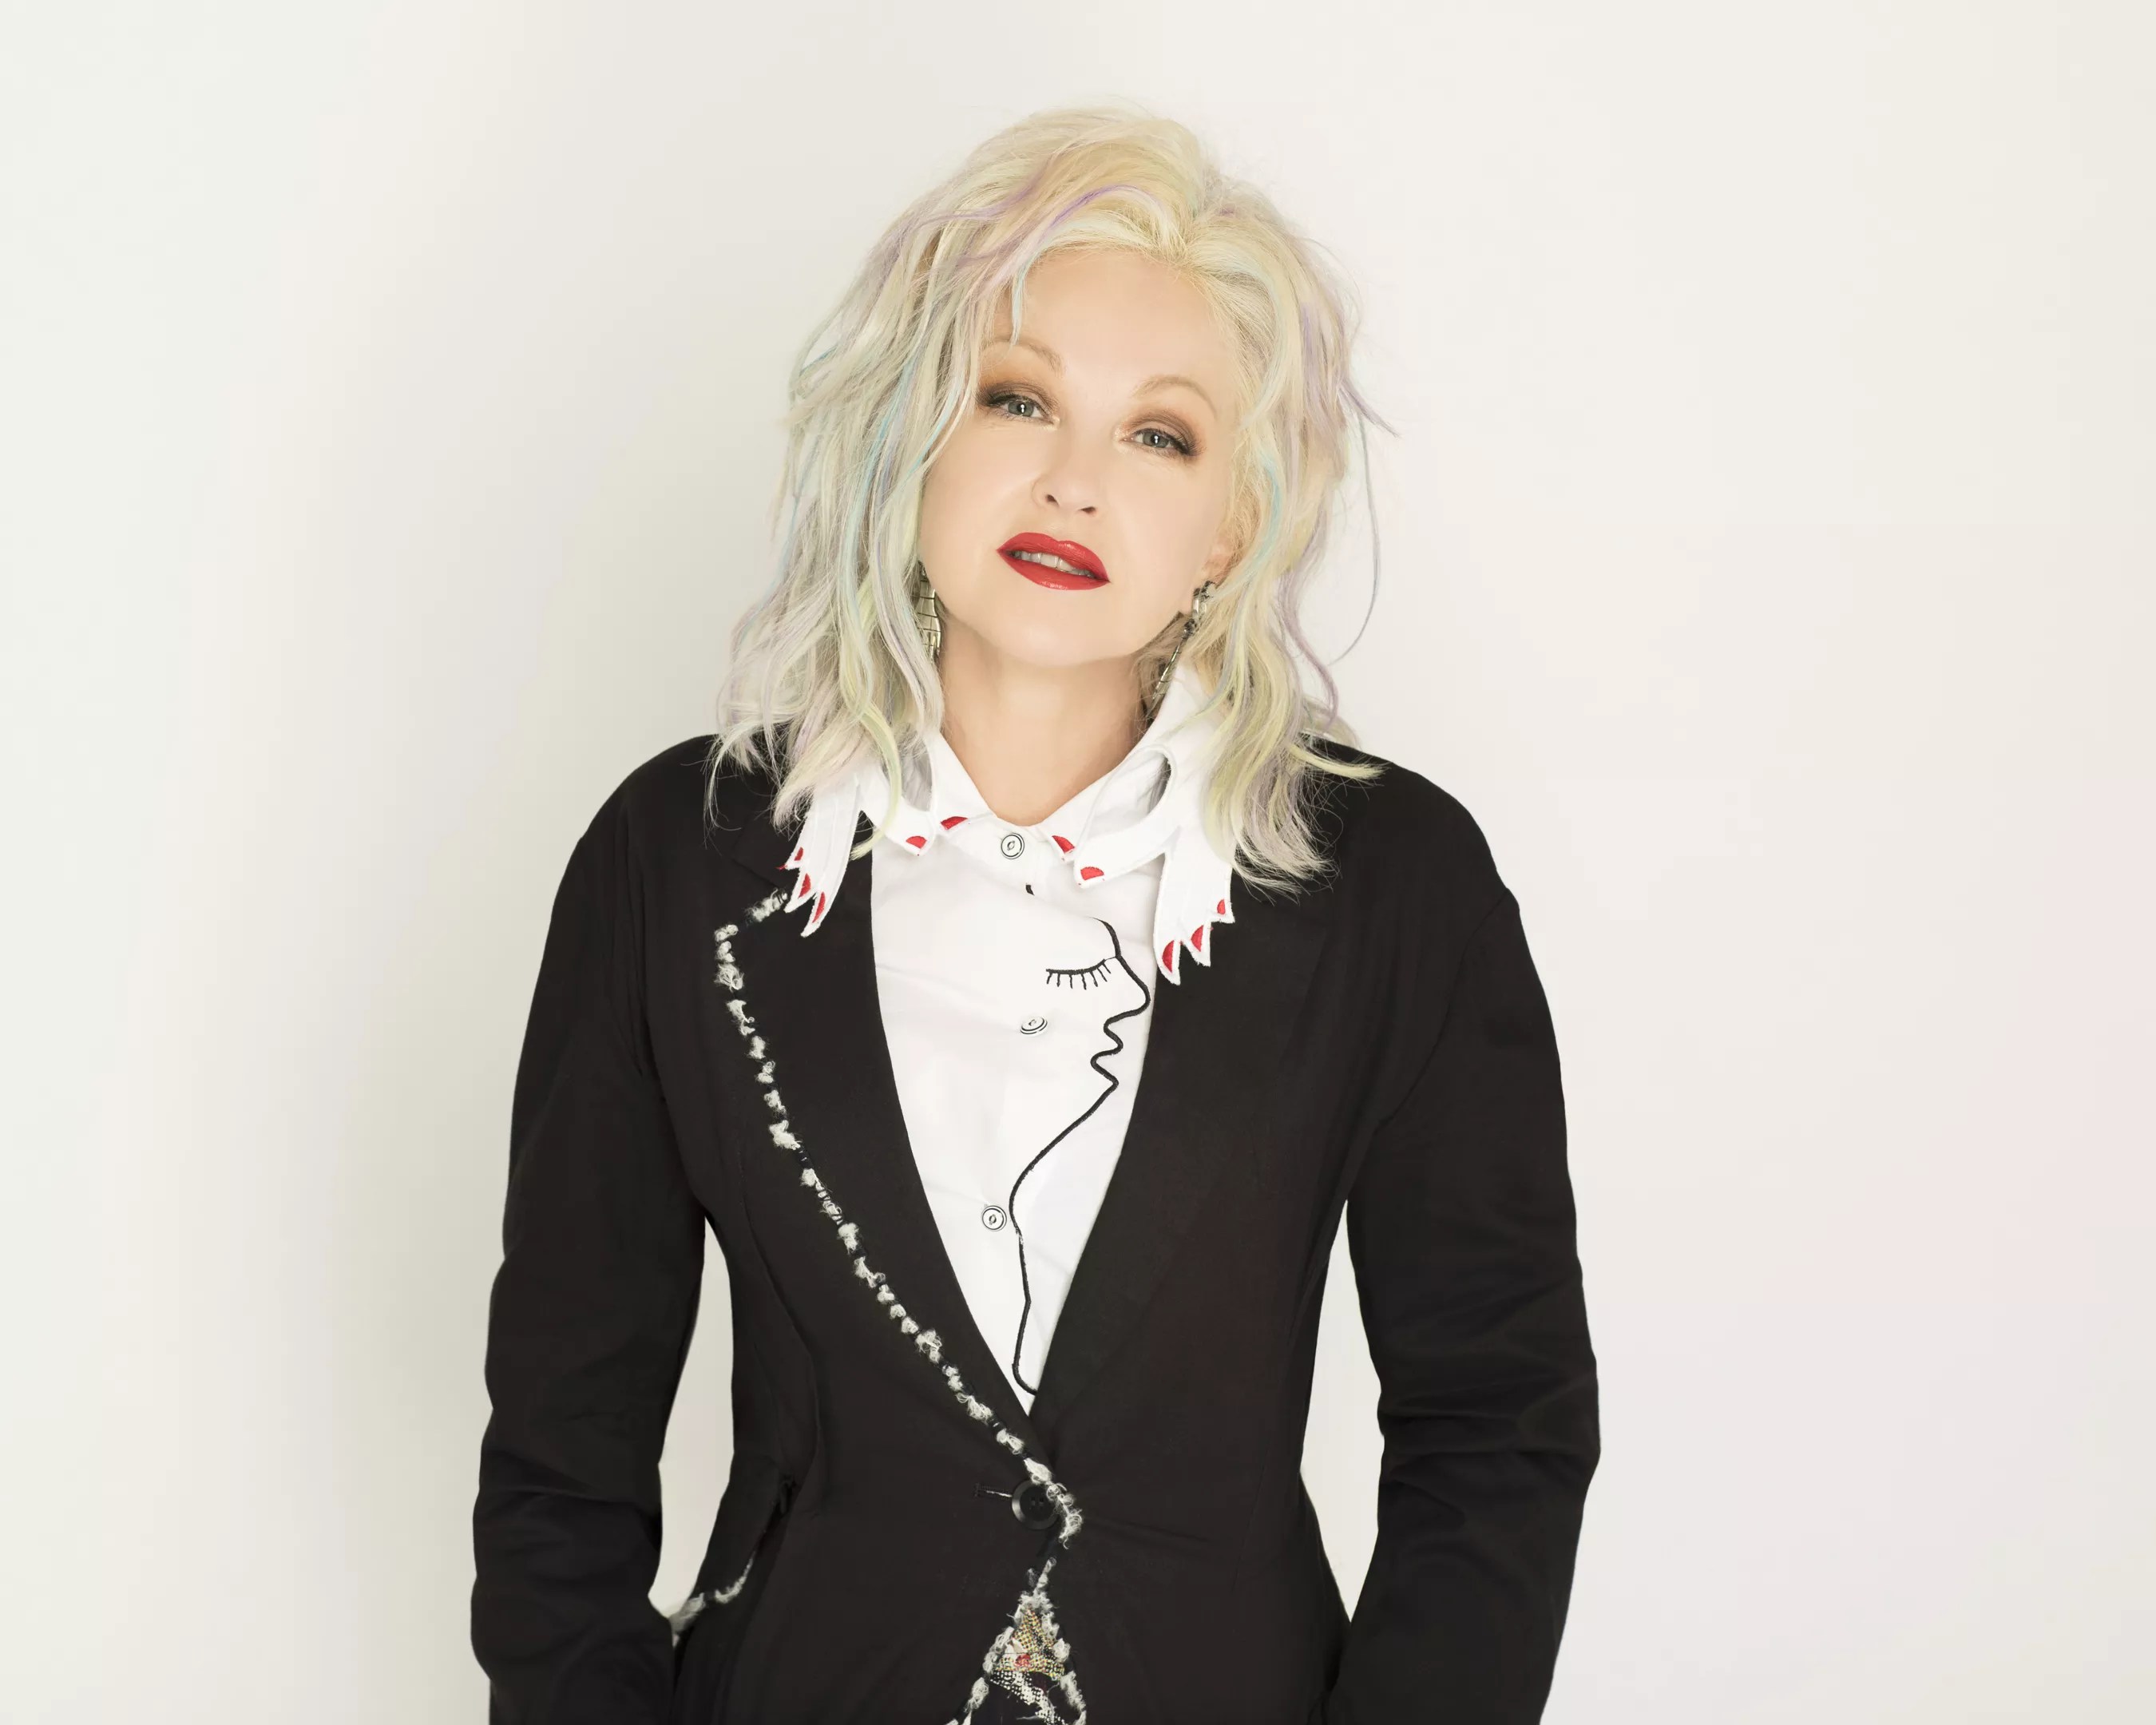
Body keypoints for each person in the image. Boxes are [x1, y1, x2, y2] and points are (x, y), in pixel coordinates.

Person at [471, 101, 1599, 1725]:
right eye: (1018, 399)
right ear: (915, 430)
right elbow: (560, 1463)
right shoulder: (680, 859)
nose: (1074, 484)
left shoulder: (1394, 888)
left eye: (1161, 437)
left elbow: (1496, 1425)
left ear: (1230, 525)